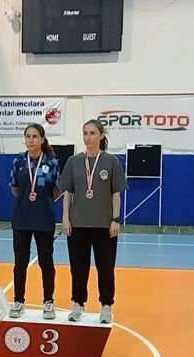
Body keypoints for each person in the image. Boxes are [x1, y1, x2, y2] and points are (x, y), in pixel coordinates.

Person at [59, 119, 127, 324]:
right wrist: (65, 218)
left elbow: (116, 194)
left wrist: (115, 219)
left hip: (104, 225)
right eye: (85, 133)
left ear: (101, 135)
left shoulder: (111, 161)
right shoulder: (73, 161)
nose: (88, 137)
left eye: (92, 133)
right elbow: (67, 193)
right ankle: (78, 303)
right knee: (78, 268)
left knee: (105, 267)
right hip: (78, 224)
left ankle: (106, 306)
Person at [8, 124, 60, 319]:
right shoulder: (18, 161)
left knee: (46, 262)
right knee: (20, 262)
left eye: (35, 136)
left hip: (44, 218)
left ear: (42, 139)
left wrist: (41, 201)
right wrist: (27, 200)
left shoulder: (52, 163)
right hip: (22, 218)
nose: (31, 140)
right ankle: (18, 301)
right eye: (28, 136)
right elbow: (14, 188)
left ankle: (48, 301)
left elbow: (57, 190)